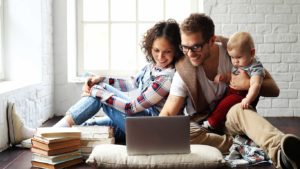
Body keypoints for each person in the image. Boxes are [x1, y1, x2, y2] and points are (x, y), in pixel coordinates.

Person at [7, 19, 183, 144]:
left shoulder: (167, 77)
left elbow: (132, 108)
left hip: (148, 130)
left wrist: (96, 92)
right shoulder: (153, 66)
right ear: (150, 47)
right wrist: (102, 79)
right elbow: (132, 83)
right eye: (156, 50)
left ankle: (38, 134)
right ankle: (37, 137)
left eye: (167, 52)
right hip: (138, 123)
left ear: (176, 50)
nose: (160, 56)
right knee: (90, 125)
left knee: (100, 92)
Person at [159, 13, 300, 169]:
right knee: (181, 132)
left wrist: (247, 83)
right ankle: (244, 144)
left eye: (196, 47)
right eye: (185, 47)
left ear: (211, 41)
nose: (190, 53)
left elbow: (274, 90)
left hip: (232, 119)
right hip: (204, 126)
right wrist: (154, 132)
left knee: (240, 109)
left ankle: (282, 151)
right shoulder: (184, 71)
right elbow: (169, 112)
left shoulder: (234, 54)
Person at [202, 31, 265, 130]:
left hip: (242, 95)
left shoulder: (255, 67)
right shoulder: (239, 64)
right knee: (220, 103)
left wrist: (248, 99)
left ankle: (212, 123)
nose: (235, 61)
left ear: (252, 53)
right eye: (232, 57)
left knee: (224, 105)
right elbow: (232, 75)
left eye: (239, 57)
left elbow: (255, 84)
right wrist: (224, 77)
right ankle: (220, 124)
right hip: (231, 92)